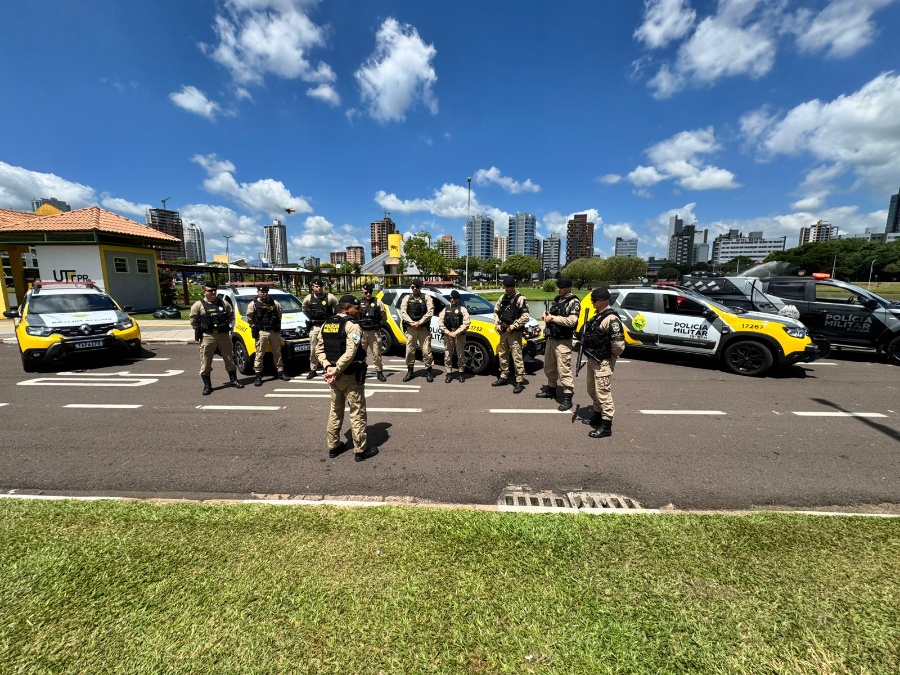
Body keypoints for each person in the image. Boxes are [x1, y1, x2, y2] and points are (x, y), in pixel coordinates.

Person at [316, 295, 379, 462]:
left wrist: (327, 367)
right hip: (349, 376)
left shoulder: (327, 324)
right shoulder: (352, 327)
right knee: (357, 412)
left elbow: (319, 350)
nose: (358, 312)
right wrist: (335, 370)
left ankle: (334, 446)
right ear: (347, 308)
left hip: (334, 377)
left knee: (335, 411)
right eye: (356, 309)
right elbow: (350, 353)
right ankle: (360, 450)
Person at [578, 287, 626, 438]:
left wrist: (612, 355)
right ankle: (597, 416)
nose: (592, 302)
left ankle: (606, 426)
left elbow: (618, 345)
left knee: (603, 393)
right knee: (592, 391)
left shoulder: (611, 319)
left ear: (604, 301)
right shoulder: (598, 316)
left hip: (603, 361)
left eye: (594, 300)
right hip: (593, 359)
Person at [190, 282, 244, 395]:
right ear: (204, 291)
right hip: (208, 336)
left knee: (229, 357)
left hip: (223, 335)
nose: (213, 293)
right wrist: (201, 328)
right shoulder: (198, 305)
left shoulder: (223, 303)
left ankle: (233, 380)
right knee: (206, 361)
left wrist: (225, 324)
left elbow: (231, 315)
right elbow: (193, 320)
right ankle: (207, 386)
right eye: (210, 290)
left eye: (214, 290)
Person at [536, 277, 581, 411]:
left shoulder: (574, 302)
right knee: (549, 367)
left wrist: (553, 318)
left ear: (567, 288)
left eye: (560, 287)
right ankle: (551, 390)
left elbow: (572, 321)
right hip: (552, 339)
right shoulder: (558, 300)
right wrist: (546, 315)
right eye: (558, 287)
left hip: (563, 341)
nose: (558, 289)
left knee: (564, 370)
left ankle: (568, 397)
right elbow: (552, 316)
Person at [492, 276, 530, 394]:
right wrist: (497, 323)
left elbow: (525, 317)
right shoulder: (503, 298)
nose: (506, 289)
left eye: (508, 287)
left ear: (513, 287)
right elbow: (496, 311)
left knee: (516, 356)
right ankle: (503, 376)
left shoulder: (520, 299)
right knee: (502, 354)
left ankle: (519, 380)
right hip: (503, 331)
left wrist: (512, 327)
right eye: (505, 287)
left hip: (513, 333)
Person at [246, 285, 291, 386]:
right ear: (258, 292)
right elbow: (249, 318)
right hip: (261, 331)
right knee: (259, 353)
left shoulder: (274, 303)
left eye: (266, 292)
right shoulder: (253, 304)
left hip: (273, 332)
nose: (264, 293)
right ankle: (258, 374)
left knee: (277, 352)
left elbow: (279, 314)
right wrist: (255, 326)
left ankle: (280, 372)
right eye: (262, 292)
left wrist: (276, 326)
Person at [302, 278, 338, 380]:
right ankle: (313, 369)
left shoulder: (329, 297)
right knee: (314, 349)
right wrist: (310, 317)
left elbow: (337, 307)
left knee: (329, 347)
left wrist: (333, 317)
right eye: (316, 286)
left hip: (327, 326)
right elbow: (304, 308)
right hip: (316, 326)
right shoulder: (309, 298)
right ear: (312, 287)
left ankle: (327, 367)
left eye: (320, 286)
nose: (319, 288)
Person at [399, 279, 435, 382]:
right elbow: (403, 312)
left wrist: (419, 322)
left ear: (420, 287)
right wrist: (412, 323)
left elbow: (430, 312)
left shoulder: (426, 298)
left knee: (426, 351)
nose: (414, 289)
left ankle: (428, 371)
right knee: (410, 350)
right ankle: (410, 372)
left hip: (423, 328)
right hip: (411, 328)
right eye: (413, 287)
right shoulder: (407, 298)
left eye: (417, 287)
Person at [438, 289, 471, 383]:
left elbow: (466, 323)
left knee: (460, 355)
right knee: (448, 355)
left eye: (454, 298)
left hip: (459, 334)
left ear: (458, 299)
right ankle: (448, 373)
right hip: (448, 334)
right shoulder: (446, 309)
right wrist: (448, 332)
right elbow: (440, 322)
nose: (452, 300)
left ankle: (461, 373)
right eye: (451, 298)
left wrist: (456, 332)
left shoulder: (462, 309)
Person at [357, 283, 388, 382]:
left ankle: (379, 372)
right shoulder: (358, 303)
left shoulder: (378, 302)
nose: (368, 294)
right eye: (366, 292)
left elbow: (384, 316)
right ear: (362, 292)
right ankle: (361, 371)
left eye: (370, 292)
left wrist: (380, 324)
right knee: (360, 354)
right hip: (362, 332)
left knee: (376, 353)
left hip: (374, 332)